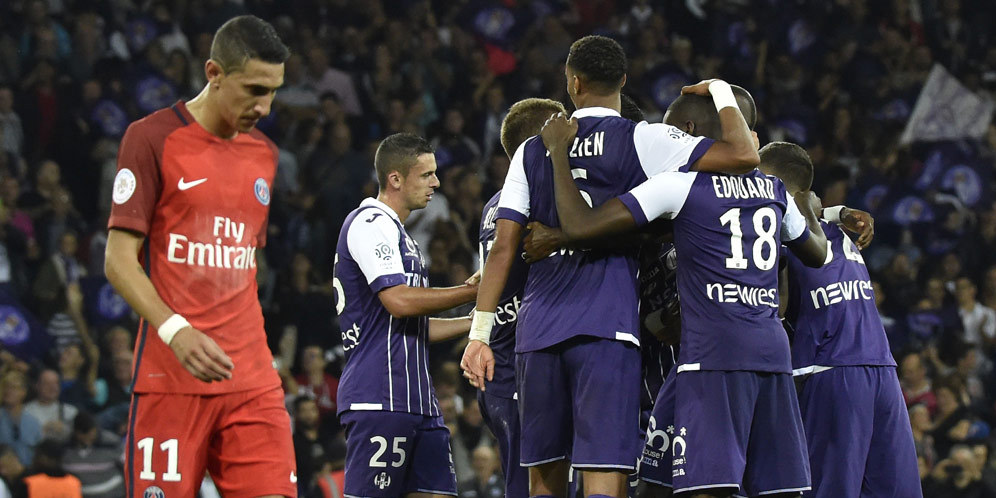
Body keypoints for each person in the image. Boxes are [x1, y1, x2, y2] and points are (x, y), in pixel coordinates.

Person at [463, 35, 759, 498]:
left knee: (543, 479)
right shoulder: (645, 138)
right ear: (622, 80)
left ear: (572, 82)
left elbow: (502, 250)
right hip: (607, 328)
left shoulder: (530, 150)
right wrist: (720, 90)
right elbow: (743, 155)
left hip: (537, 332)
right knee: (605, 473)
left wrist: (478, 336)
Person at [535, 79, 829, 498]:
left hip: (712, 357)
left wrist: (559, 154)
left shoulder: (680, 185)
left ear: (688, 133)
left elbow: (582, 226)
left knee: (704, 487)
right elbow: (816, 253)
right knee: (778, 490)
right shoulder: (775, 190)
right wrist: (815, 209)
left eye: (672, 130)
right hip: (772, 353)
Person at [104, 15, 296, 498]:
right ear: (213, 73)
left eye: (273, 91)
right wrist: (177, 331)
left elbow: (239, 262)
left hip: (252, 381)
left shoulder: (264, 156)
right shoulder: (150, 138)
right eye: (254, 89)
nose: (265, 106)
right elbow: (118, 259)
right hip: (171, 376)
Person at [758, 141, 921, 498]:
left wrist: (830, 211)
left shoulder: (816, 231)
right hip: (853, 369)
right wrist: (833, 211)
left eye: (760, 178)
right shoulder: (809, 233)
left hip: (855, 369)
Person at [333, 132, 478, 498]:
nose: (437, 182)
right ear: (395, 178)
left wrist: (475, 322)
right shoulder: (369, 223)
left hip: (419, 401)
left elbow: (412, 325)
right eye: (427, 174)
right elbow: (399, 301)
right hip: (379, 395)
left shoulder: (402, 236)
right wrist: (471, 289)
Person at [460, 96, 566, 498]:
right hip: (516, 370)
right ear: (542, 141)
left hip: (501, 367)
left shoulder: (494, 204)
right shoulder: (534, 199)